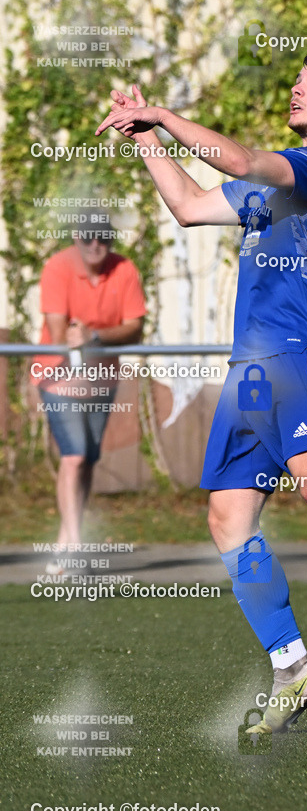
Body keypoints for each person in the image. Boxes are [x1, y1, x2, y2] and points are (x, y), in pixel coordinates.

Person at [95, 48, 307, 733]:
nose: (298, 87)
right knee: (226, 518)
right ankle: (291, 665)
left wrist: (161, 109)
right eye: (297, 77)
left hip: (298, 352)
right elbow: (187, 206)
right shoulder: (278, 178)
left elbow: (242, 161)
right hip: (250, 367)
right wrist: (148, 138)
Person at [32, 211, 146, 571]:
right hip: (57, 375)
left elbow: (135, 329)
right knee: (75, 456)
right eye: (87, 237)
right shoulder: (57, 267)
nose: (95, 245)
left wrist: (95, 337)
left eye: (103, 238)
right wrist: (77, 341)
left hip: (102, 378)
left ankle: (65, 547)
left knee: (87, 461)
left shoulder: (124, 269)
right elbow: (59, 329)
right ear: (76, 239)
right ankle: (77, 547)